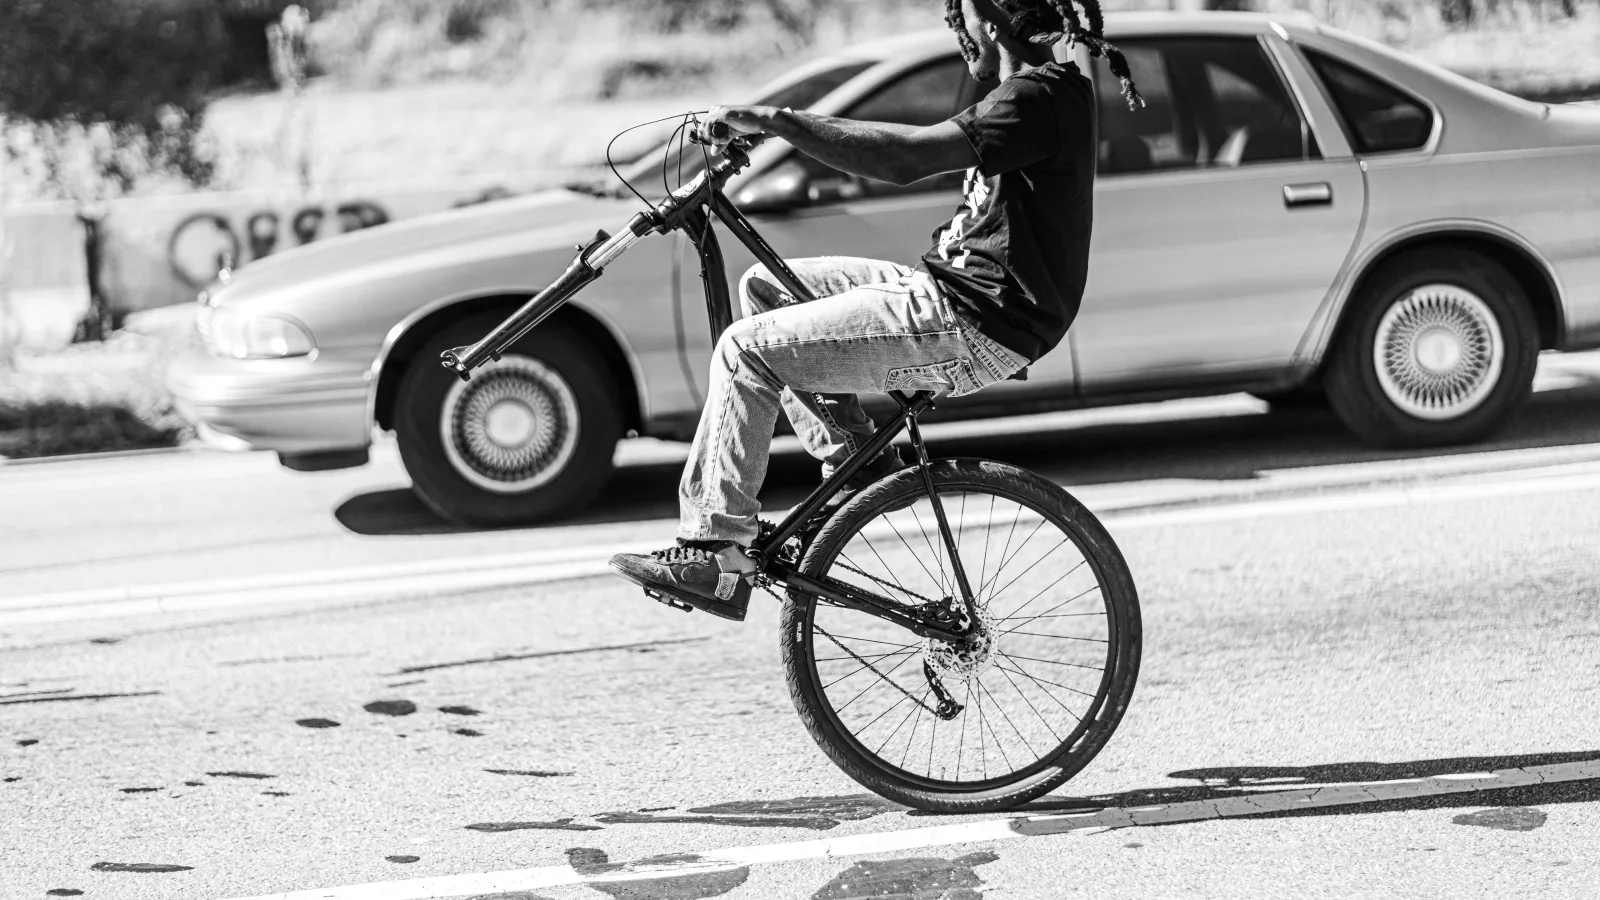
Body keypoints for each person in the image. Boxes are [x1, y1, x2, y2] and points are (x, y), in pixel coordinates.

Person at [609, 0, 1140, 621]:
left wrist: (780, 121)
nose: (957, 26)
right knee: (765, 288)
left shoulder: (1036, 99)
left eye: (962, 14)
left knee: (745, 349)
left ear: (991, 25)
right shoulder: (1037, 88)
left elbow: (902, 159)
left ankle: (714, 552)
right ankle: (856, 469)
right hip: (953, 291)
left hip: (973, 321)